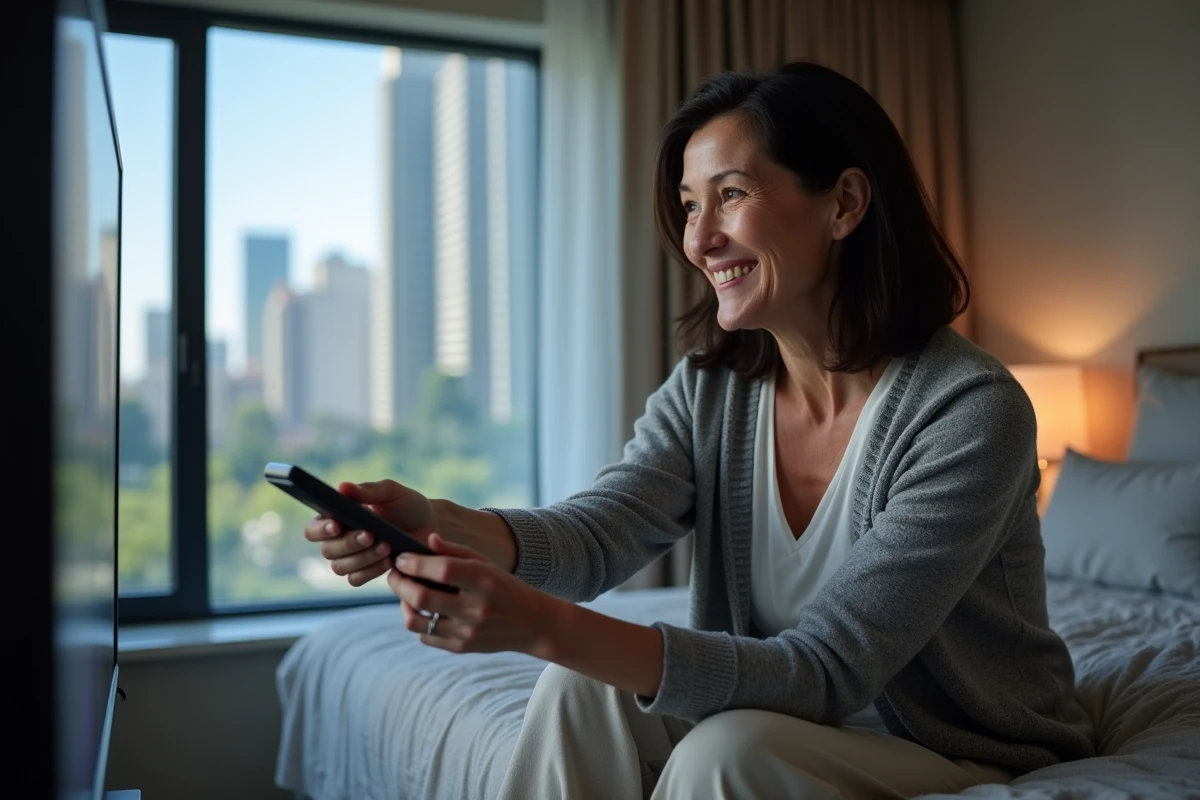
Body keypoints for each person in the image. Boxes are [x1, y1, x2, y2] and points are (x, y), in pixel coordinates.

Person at [303, 61, 1095, 799]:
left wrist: (541, 625)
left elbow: (825, 669)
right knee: (581, 684)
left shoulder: (969, 411)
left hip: (956, 741)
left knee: (726, 754)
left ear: (845, 204)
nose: (699, 238)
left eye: (732, 194)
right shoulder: (712, 391)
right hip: (789, 712)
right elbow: (598, 535)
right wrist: (439, 524)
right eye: (689, 204)